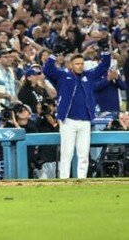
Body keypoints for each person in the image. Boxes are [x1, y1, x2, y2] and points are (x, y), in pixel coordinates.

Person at [43, 45, 112, 179]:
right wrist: (54, 54)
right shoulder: (63, 76)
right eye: (77, 64)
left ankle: (82, 180)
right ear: (71, 65)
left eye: (82, 64)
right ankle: (64, 180)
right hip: (68, 120)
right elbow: (47, 70)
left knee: (83, 153)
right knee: (67, 153)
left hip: (85, 120)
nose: (80, 66)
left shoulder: (89, 76)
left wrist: (105, 51)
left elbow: (104, 67)